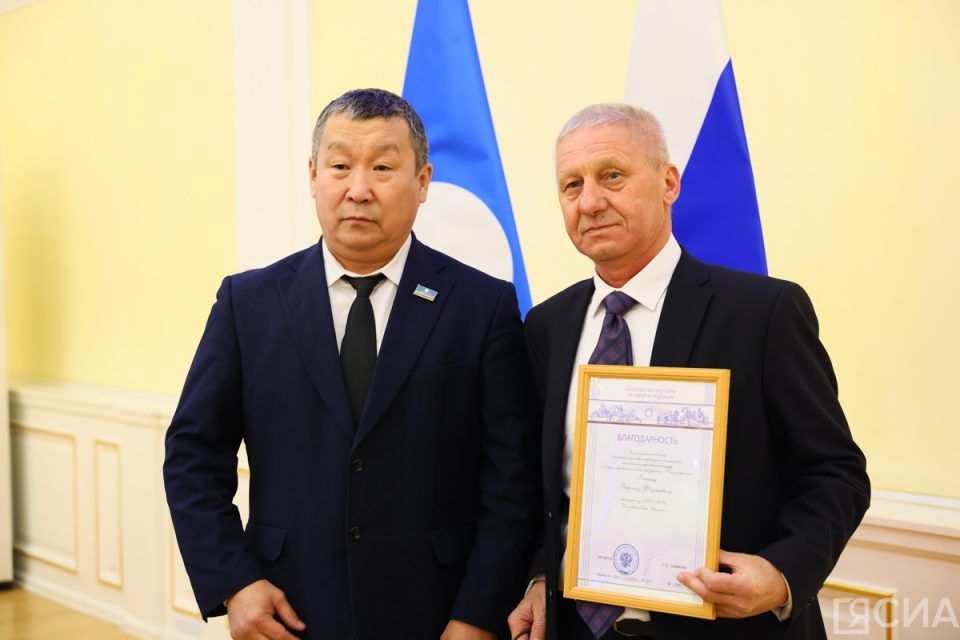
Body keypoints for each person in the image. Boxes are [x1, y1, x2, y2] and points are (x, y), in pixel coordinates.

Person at [164, 88, 540, 640]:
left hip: (437, 611)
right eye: (340, 166)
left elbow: (512, 480)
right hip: (290, 609)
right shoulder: (248, 304)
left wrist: (477, 615)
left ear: (422, 181)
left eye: (383, 168)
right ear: (313, 176)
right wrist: (234, 582)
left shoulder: (482, 306)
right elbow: (193, 455)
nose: (358, 189)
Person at [507, 104, 869, 640]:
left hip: (730, 627)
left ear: (668, 183)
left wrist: (781, 575)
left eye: (612, 175)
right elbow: (546, 493)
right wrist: (541, 574)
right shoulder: (546, 327)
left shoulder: (762, 314)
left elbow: (835, 472)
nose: (590, 202)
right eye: (571, 185)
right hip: (576, 627)